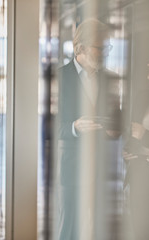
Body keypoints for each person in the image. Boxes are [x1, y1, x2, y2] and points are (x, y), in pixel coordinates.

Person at [56, 18, 121, 239]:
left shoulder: (111, 78)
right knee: (70, 227)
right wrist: (74, 127)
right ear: (80, 47)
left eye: (107, 47)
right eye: (100, 48)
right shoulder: (59, 77)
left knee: (103, 228)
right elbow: (50, 127)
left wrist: (116, 129)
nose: (105, 53)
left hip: (105, 168)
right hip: (71, 167)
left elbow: (117, 119)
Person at [123, 49, 149, 239]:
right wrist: (128, 151)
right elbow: (133, 136)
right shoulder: (143, 97)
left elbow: (141, 134)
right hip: (139, 176)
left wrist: (145, 136)